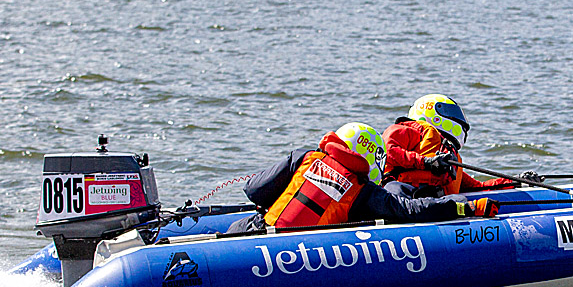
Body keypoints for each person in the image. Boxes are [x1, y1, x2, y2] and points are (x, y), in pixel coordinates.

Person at [226, 122, 500, 234]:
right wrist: (464, 206)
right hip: (298, 252)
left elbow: (254, 190)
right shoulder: (364, 191)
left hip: (258, 233)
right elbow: (409, 210)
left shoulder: (304, 157)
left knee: (238, 225)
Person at [382, 94, 542, 199]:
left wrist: (516, 181)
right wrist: (426, 162)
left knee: (460, 199)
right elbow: (387, 151)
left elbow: (478, 188)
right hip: (399, 199)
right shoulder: (407, 130)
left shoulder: (448, 157)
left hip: (428, 208)